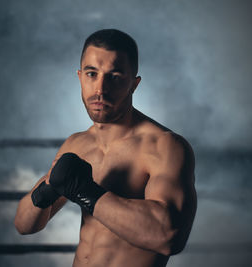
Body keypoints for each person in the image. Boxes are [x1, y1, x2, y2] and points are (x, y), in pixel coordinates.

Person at [14, 29, 197, 267]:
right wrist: (47, 189)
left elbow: (169, 236)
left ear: (134, 84)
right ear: (80, 77)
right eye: (92, 74)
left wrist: (87, 192)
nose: (100, 89)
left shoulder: (165, 146)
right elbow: (24, 225)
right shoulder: (77, 144)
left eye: (115, 77)